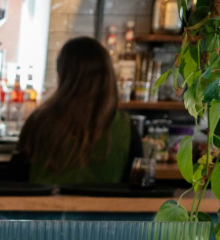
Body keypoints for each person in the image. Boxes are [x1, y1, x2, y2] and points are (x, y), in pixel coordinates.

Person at [16, 36, 140, 186]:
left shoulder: (39, 121)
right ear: (108, 77)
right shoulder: (126, 127)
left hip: (43, 208)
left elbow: (17, 177)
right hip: (103, 209)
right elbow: (135, 182)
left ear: (62, 76)